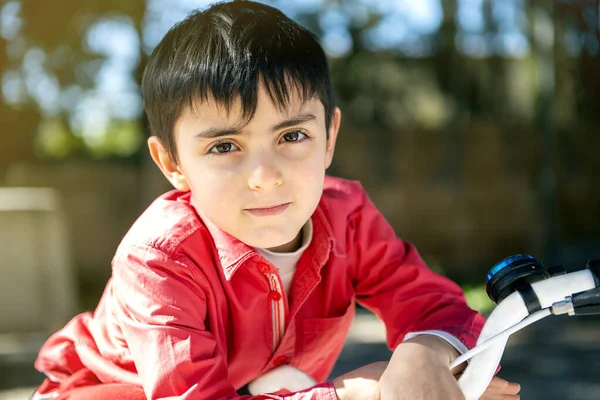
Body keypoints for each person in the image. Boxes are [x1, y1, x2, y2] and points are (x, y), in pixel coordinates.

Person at [32, 1, 521, 399]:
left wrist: (426, 351)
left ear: (329, 136)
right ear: (172, 163)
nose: (265, 178)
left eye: (291, 136)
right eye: (224, 146)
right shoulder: (157, 259)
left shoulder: (346, 216)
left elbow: (435, 306)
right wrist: (348, 395)